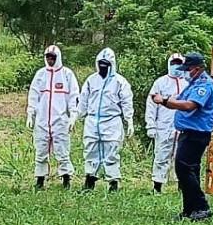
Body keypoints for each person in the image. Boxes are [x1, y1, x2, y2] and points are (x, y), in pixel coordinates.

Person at [151, 52, 213, 221]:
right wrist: (170, 99)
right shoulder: (193, 83)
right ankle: (189, 210)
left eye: (187, 69)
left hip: (196, 134)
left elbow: (189, 105)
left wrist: (164, 101)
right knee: (189, 170)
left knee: (184, 169)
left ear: (196, 69)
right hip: (188, 133)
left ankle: (202, 207)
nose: (184, 72)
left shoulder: (205, 85)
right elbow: (180, 99)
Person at [76, 47, 134, 191]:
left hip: (112, 121)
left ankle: (113, 182)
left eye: (106, 64)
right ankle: (90, 180)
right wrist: (76, 116)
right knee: (90, 149)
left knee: (112, 151)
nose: (102, 67)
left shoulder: (120, 82)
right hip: (92, 120)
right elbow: (83, 100)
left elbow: (127, 102)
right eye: (100, 63)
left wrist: (129, 120)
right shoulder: (91, 80)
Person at [26, 45, 80, 189]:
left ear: (58, 58)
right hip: (42, 120)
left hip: (60, 120)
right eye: (48, 57)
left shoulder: (67, 75)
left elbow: (73, 97)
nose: (50, 60)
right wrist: (30, 113)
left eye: (53, 58)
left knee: (62, 150)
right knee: (41, 150)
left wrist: (73, 116)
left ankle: (66, 179)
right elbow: (33, 95)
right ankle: (40, 179)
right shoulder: (40, 75)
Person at [145, 53, 185, 193]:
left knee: (182, 157)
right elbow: (151, 105)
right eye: (174, 63)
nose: (176, 66)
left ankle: (181, 186)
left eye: (179, 63)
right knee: (161, 156)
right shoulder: (160, 83)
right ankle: (157, 186)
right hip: (163, 126)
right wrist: (150, 125)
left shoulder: (188, 82)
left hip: (183, 127)